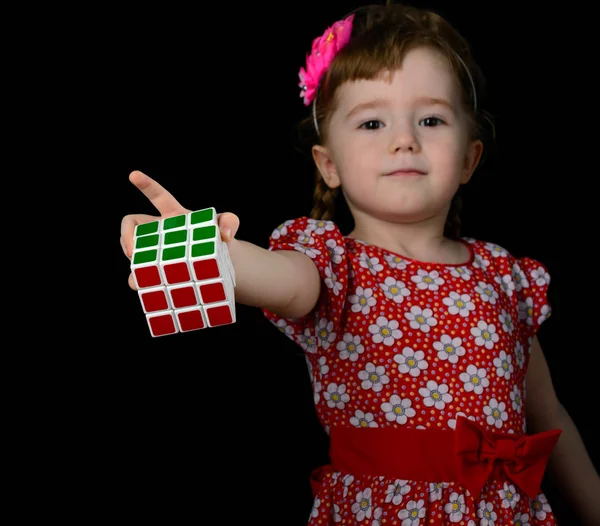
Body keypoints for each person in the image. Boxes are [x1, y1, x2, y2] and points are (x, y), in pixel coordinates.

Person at [120, 2, 599, 524]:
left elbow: (548, 415)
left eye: (432, 119)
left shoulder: (506, 275)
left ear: (468, 157)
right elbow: (278, 279)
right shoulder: (330, 263)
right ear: (328, 164)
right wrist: (209, 254)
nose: (404, 139)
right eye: (372, 122)